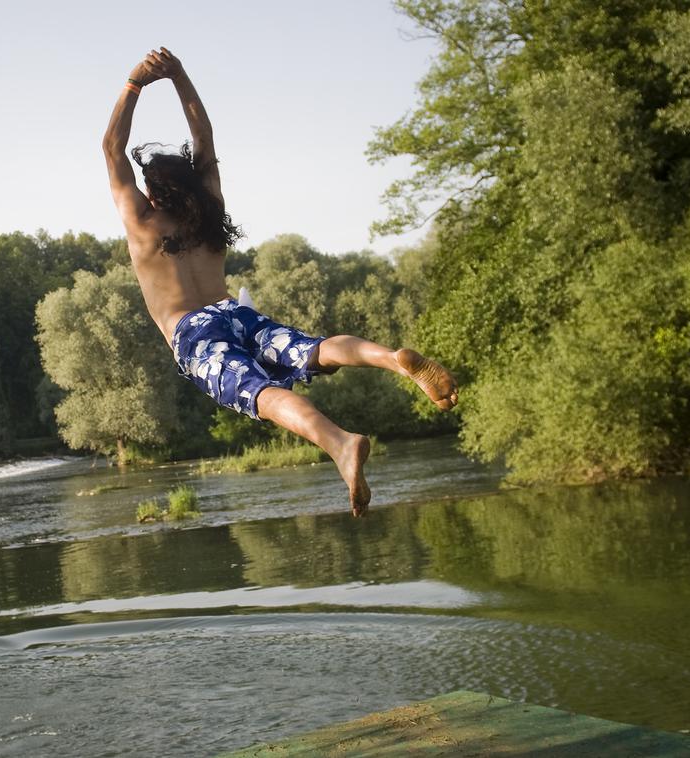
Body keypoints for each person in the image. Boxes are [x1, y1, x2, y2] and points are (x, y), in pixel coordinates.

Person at [102, 47, 458, 517]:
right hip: (235, 312)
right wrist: (180, 77)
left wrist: (133, 84)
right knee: (314, 349)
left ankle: (340, 443)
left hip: (195, 334)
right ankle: (393, 360)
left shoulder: (143, 222)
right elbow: (203, 135)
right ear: (189, 182)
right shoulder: (208, 209)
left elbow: (112, 147)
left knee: (260, 394)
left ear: (152, 188)